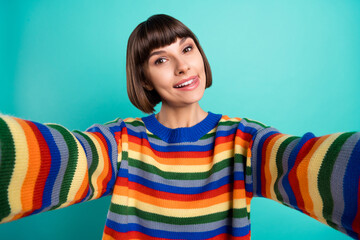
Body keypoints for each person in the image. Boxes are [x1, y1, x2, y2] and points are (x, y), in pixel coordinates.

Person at [0, 13, 359, 240]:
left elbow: (302, 163)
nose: (183, 66)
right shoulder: (121, 140)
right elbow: (68, 159)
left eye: (187, 49)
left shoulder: (242, 140)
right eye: (161, 59)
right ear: (144, 78)